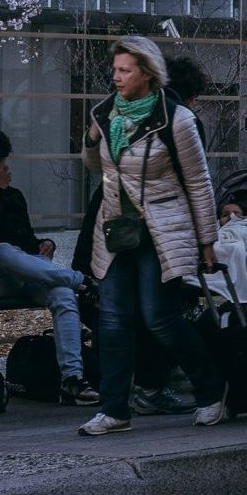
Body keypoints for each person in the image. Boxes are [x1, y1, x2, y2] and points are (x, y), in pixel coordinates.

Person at [76, 35, 226, 437]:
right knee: (111, 319)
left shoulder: (175, 119)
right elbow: (95, 166)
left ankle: (212, 391)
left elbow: (198, 183)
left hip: (162, 229)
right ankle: (113, 410)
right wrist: (91, 139)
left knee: (159, 318)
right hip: (117, 230)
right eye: (115, 70)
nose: (116, 77)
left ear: (147, 73)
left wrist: (207, 242)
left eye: (124, 70)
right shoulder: (105, 114)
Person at [0, 126, 97, 405]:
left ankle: (73, 379)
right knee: (2, 250)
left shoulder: (12, 195)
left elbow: (25, 240)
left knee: (63, 293)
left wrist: (45, 245)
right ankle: (81, 280)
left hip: (26, 274)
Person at [202, 199, 247, 312]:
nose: (231, 216)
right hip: (209, 269)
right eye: (225, 215)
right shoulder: (214, 234)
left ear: (245, 217)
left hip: (233, 271)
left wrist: (243, 258)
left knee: (235, 248)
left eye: (236, 213)